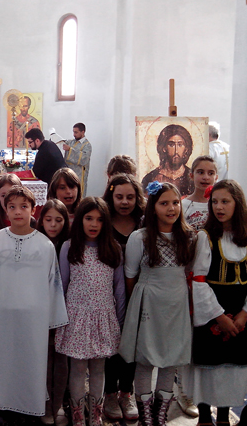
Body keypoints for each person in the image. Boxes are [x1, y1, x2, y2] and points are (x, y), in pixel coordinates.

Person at [183, 180, 247, 426]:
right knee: (207, 364)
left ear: (237, 204)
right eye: (215, 202)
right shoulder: (206, 237)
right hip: (212, 313)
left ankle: (222, 417)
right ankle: (204, 416)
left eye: (225, 202)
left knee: (231, 366)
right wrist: (219, 316)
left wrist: (245, 314)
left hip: (240, 312)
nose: (218, 207)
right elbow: (199, 281)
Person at [0, 186, 68, 418]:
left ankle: (30, 409)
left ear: (33, 209)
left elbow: (53, 282)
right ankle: (0, 407)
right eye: (12, 207)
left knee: (31, 362)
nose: (18, 211)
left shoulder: (45, 244)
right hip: (2, 315)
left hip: (34, 318)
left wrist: (53, 318)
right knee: (2, 362)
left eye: (23, 206)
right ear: (5, 210)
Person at [118, 182, 196, 426]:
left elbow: (189, 271)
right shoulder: (140, 238)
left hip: (177, 303)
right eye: (164, 203)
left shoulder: (189, 237)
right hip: (149, 302)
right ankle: (146, 416)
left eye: (175, 203)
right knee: (146, 358)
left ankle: (161, 413)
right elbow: (130, 275)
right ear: (153, 208)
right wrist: (137, 306)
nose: (171, 208)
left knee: (170, 359)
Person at [55, 197, 125, 426]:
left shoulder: (113, 249)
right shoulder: (69, 247)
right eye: (88, 218)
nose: (94, 224)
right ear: (80, 220)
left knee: (98, 368)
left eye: (100, 219)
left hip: (103, 318)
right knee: (77, 368)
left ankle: (96, 414)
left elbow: (119, 288)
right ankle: (78, 414)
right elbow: (62, 285)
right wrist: (60, 319)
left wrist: (120, 320)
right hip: (76, 318)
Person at [101, 173, 146, 422]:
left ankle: (126, 392)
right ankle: (109, 393)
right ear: (111, 197)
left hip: (139, 292)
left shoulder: (144, 223)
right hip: (109, 293)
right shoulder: (104, 222)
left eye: (130, 197)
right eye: (119, 197)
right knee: (111, 345)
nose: (125, 202)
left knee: (131, 343)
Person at [36, 198, 70, 425]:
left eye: (58, 220)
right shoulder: (36, 243)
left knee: (61, 361)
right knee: (43, 360)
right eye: (48, 220)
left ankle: (58, 405)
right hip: (40, 310)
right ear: (41, 221)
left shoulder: (69, 245)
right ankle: (44, 405)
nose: (53, 225)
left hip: (66, 311)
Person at [141, 125, 194, 197]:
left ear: (186, 149)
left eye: (180, 145)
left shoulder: (192, 178)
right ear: (164, 148)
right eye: (171, 145)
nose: (176, 151)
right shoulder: (151, 178)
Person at [182, 156, 218, 232]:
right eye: (200, 172)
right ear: (191, 175)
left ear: (216, 178)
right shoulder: (182, 205)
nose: (205, 177)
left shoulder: (218, 205)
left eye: (210, 173)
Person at [63, 123, 92, 197]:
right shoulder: (70, 142)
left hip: (79, 175)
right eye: (73, 132)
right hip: (68, 174)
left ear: (83, 132)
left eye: (76, 132)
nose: (74, 134)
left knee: (79, 195)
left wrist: (70, 150)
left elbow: (84, 159)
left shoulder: (87, 145)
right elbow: (62, 143)